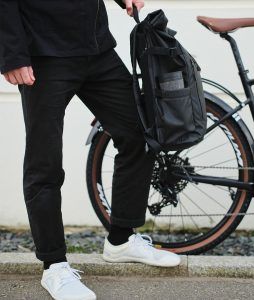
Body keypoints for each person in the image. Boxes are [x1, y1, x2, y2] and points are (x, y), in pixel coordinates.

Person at [0, 0, 181, 299]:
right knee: (44, 163)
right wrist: (12, 55)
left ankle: (121, 240)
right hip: (44, 53)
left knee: (140, 135)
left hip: (96, 47)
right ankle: (54, 265)